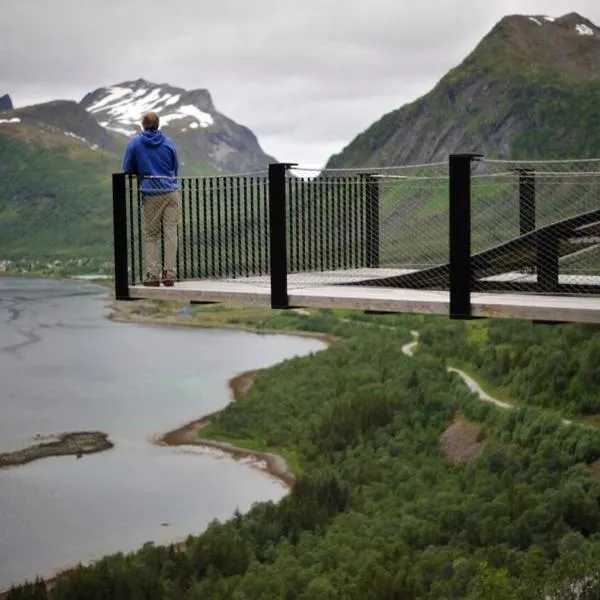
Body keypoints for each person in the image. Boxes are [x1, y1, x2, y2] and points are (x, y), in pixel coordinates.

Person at [123, 111, 180, 287]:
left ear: (143, 125)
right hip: (171, 191)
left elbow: (126, 168)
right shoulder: (169, 142)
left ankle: (153, 275)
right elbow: (175, 167)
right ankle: (169, 274)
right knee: (171, 234)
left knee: (151, 235)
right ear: (158, 124)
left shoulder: (135, 143)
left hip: (151, 193)